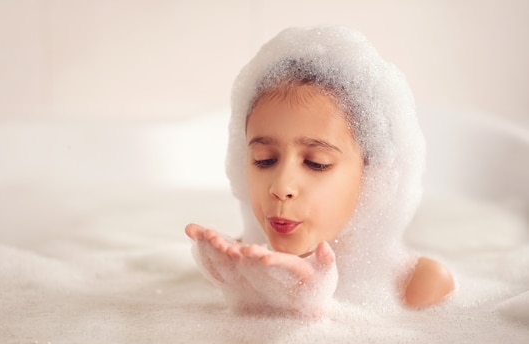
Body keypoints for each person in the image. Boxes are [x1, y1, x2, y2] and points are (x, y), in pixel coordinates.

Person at [185, 26, 455, 318]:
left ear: (372, 176)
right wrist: (246, 302)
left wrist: (312, 313)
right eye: (264, 160)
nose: (281, 186)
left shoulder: (416, 285)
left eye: (316, 163)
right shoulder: (235, 266)